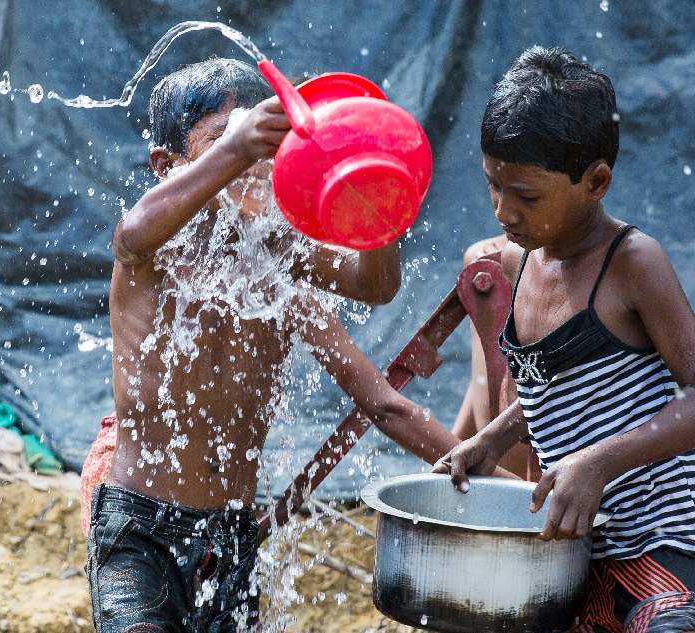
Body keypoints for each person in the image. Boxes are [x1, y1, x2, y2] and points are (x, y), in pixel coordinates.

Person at [89, 57, 470, 633]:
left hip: (231, 532)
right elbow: (130, 235)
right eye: (223, 141)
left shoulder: (278, 265)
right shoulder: (157, 256)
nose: (257, 162)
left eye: (267, 146)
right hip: (141, 524)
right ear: (168, 166)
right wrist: (237, 148)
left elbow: (376, 294)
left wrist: (378, 196)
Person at [433, 46, 695, 632]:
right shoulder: (519, 266)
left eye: (527, 196)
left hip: (663, 545)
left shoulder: (630, 264)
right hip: (573, 551)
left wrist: (600, 463)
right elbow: (559, 392)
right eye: (492, 185)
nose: (504, 210)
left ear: (596, 181)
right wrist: (491, 440)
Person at [449, 233, 534, 479]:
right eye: (497, 191)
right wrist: (458, 441)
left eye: (528, 197)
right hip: (495, 438)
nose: (504, 212)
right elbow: (486, 367)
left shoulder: (594, 268)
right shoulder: (484, 259)